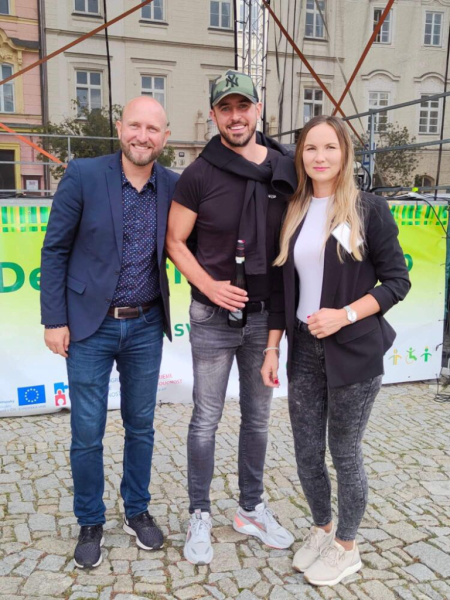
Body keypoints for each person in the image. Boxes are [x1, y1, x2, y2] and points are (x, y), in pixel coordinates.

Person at [261, 115, 410, 587]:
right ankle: (322, 528)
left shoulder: (369, 210)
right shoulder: (294, 210)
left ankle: (347, 547)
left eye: (330, 148)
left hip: (353, 348)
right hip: (303, 347)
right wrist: (272, 348)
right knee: (307, 451)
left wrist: (344, 314)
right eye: (310, 148)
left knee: (344, 451)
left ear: (345, 154)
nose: (320, 157)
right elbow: (281, 290)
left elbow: (398, 281)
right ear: (300, 156)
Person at [40, 97, 179, 569]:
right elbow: (55, 250)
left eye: (153, 129)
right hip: (88, 325)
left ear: (165, 137)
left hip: (146, 324)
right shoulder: (84, 174)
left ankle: (136, 510)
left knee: (141, 426)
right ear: (120, 128)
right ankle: (90, 521)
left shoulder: (173, 185)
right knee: (87, 431)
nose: (143, 136)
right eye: (135, 125)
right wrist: (54, 320)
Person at [165, 70, 297, 565]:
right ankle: (199, 512)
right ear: (214, 115)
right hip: (212, 317)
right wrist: (209, 286)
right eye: (226, 108)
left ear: (258, 110)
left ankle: (250, 509)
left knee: (258, 419)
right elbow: (175, 241)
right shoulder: (199, 173)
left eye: (243, 106)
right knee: (206, 419)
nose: (236, 116)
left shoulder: (286, 169)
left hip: (265, 317)